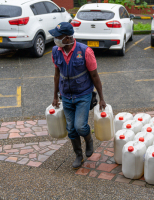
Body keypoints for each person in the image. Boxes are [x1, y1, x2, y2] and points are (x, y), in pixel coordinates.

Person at [49, 22, 106, 169]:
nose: (55, 38)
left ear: (67, 38)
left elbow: (95, 76)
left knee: (80, 126)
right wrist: (55, 96)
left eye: (58, 36)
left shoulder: (85, 51)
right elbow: (56, 75)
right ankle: (78, 155)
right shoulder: (56, 51)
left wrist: (101, 98)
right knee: (71, 129)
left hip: (83, 94)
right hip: (66, 96)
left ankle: (88, 140)